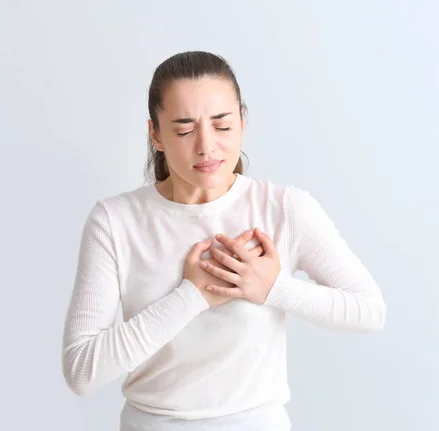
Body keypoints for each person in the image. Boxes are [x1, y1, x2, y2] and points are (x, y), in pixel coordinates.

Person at [61, 51, 386, 431]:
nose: (206, 146)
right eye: (184, 129)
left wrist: (272, 289)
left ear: (243, 122)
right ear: (156, 134)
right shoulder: (115, 221)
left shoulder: (283, 208)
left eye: (222, 125)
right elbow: (82, 371)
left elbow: (369, 311)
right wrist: (191, 296)